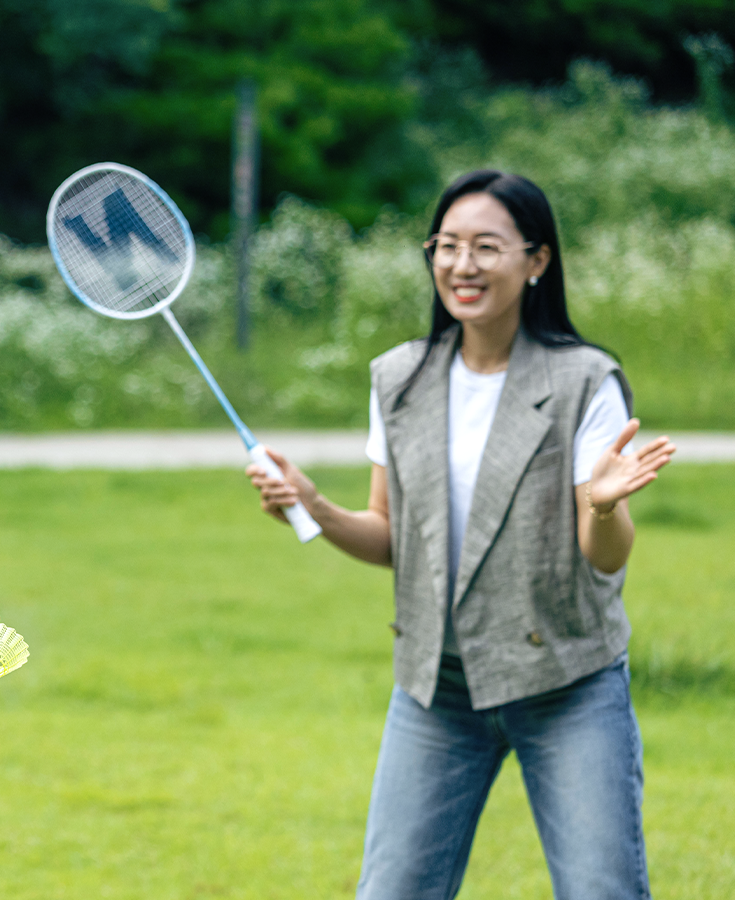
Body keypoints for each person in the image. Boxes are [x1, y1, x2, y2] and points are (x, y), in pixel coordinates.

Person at [246, 170, 674, 899]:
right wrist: (314, 504)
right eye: (446, 246)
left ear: (537, 260)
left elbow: (602, 559)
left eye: (486, 247)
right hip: (436, 687)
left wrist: (603, 507)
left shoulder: (584, 380)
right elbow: (389, 537)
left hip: (565, 682)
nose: (462, 265)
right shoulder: (400, 379)